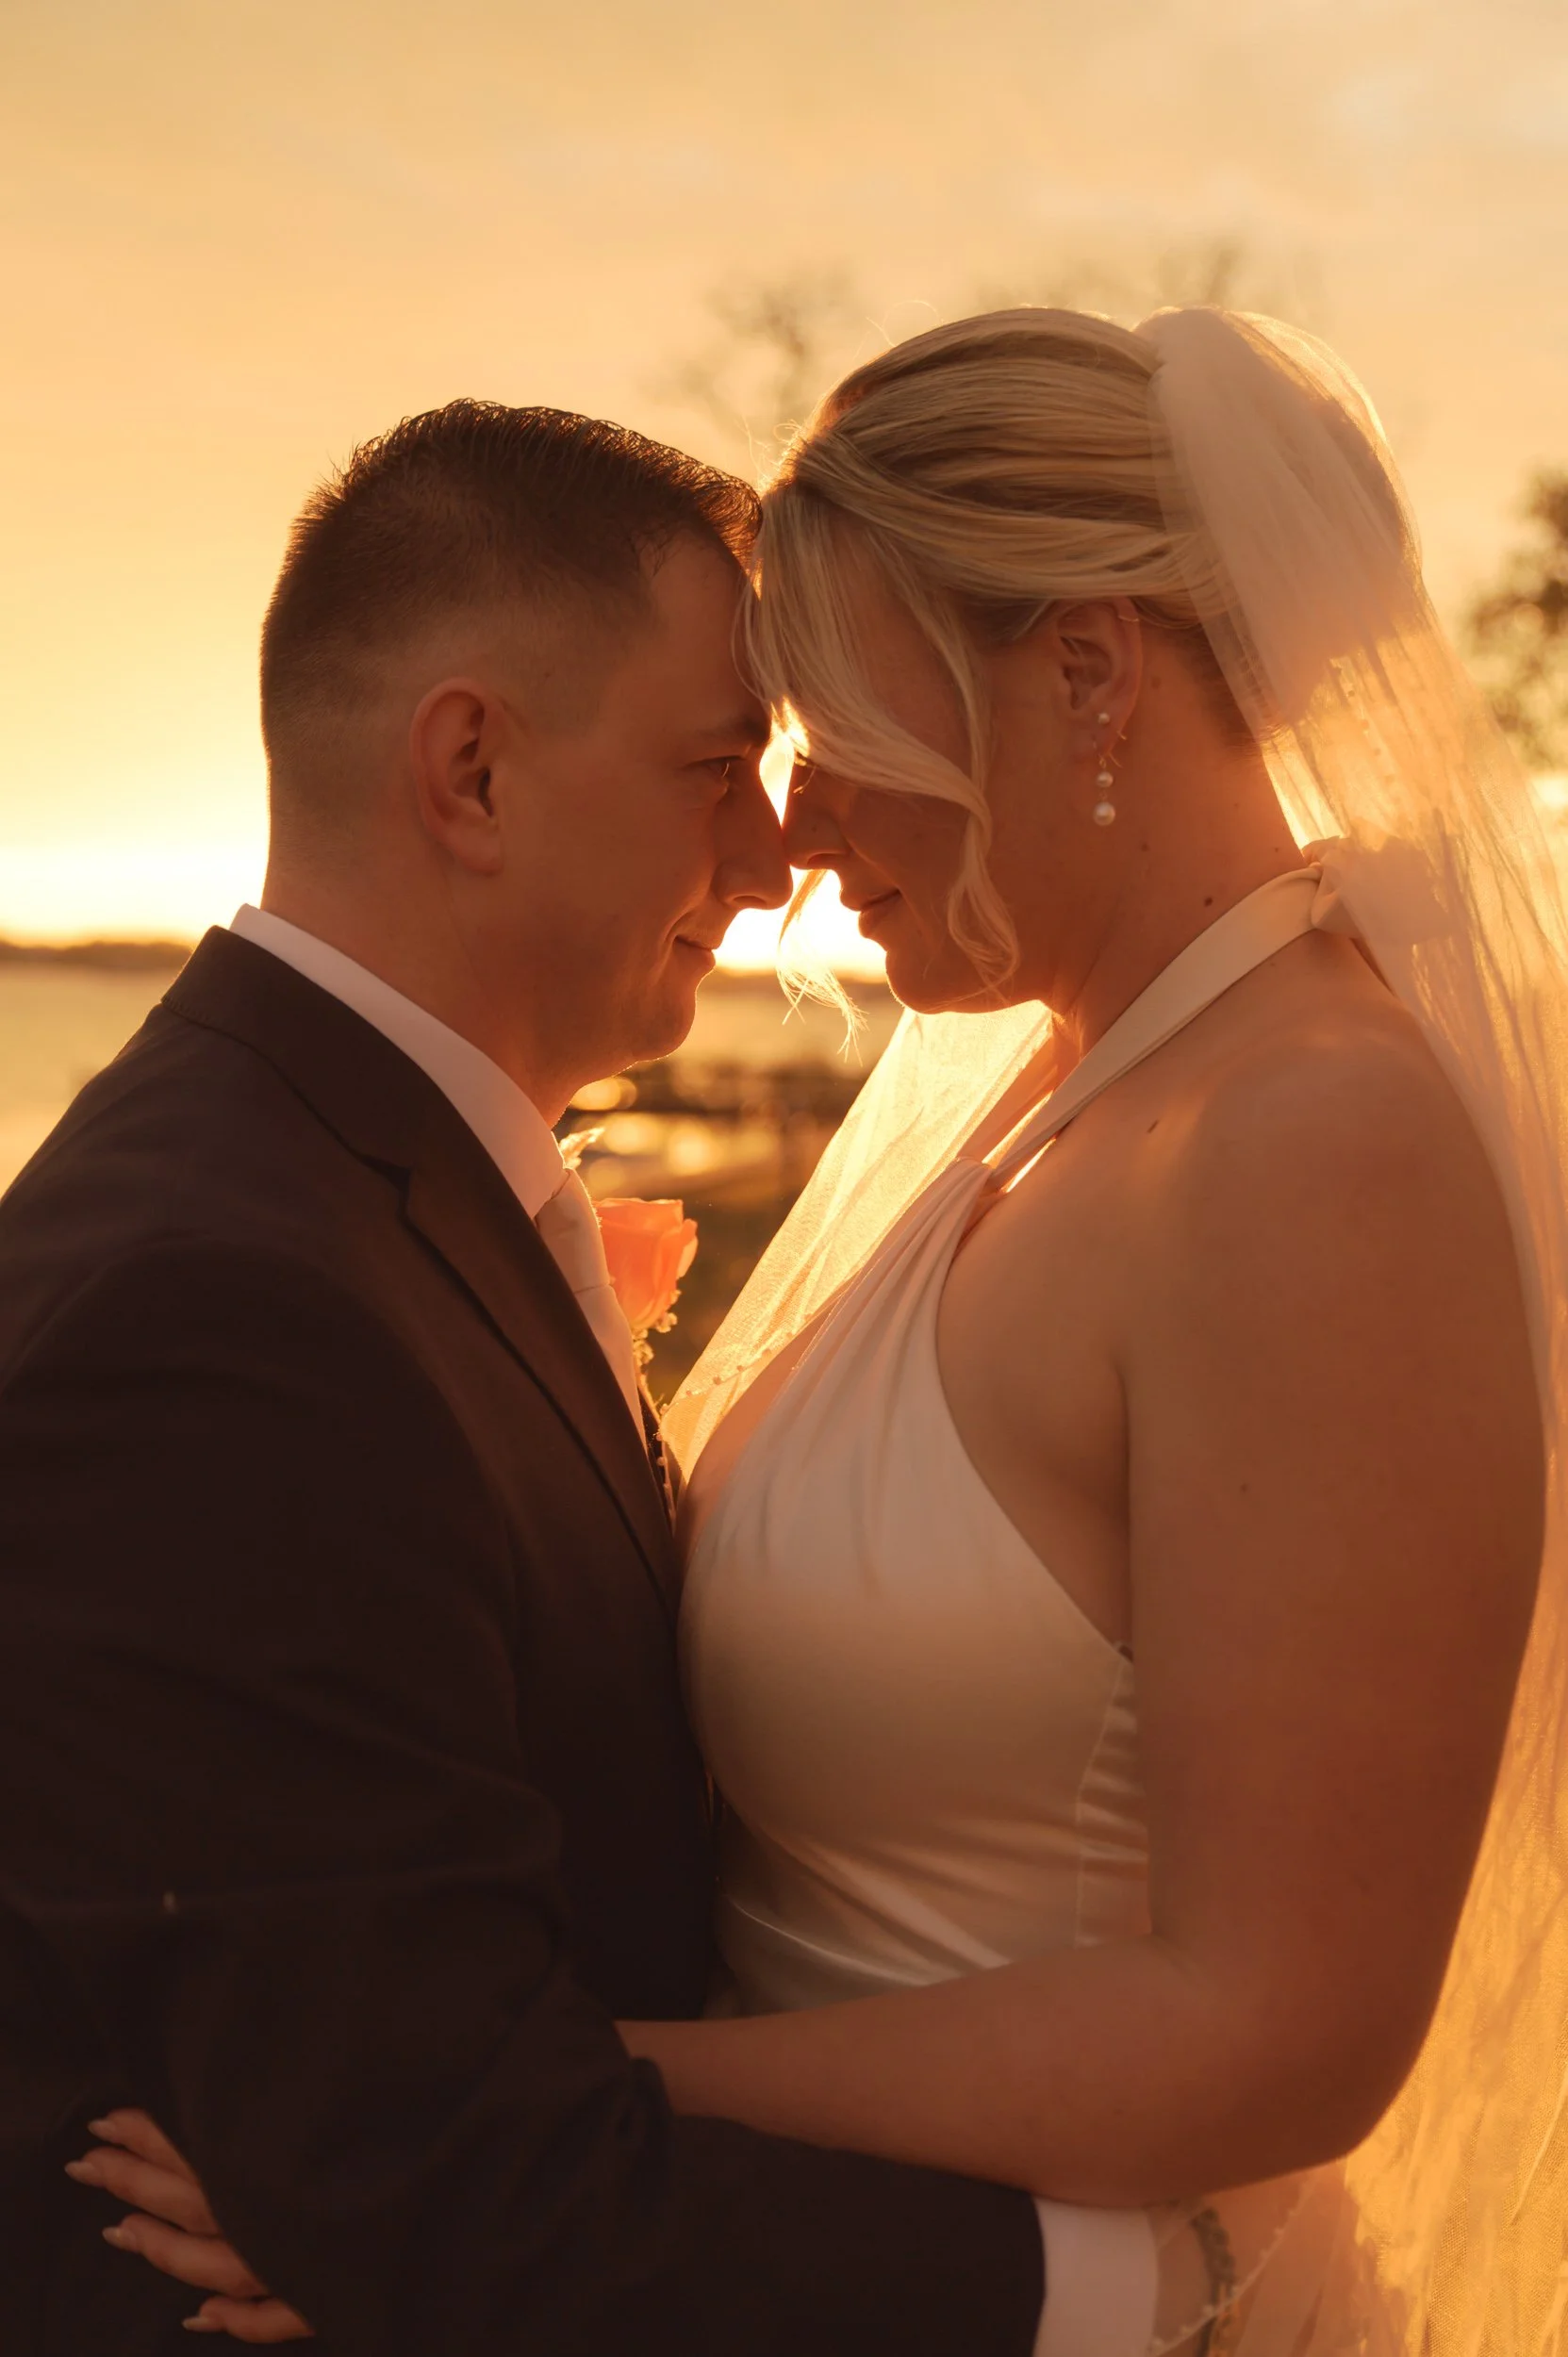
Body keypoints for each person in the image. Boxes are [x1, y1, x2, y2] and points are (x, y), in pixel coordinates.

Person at [70, 313, 1568, 2352]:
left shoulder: (1317, 1145)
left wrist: (531, 2109)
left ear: (1089, 679)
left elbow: (1283, 2027)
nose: (795, 846)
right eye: (747, 754)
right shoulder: (1073, 1086)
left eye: (836, 731)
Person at [0, 402, 1054, 2354]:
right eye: (715, 766)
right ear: (470, 768)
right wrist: (1136, 2277)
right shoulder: (221, 1308)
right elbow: (438, 2176)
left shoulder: (336, 1186)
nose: (773, 863)